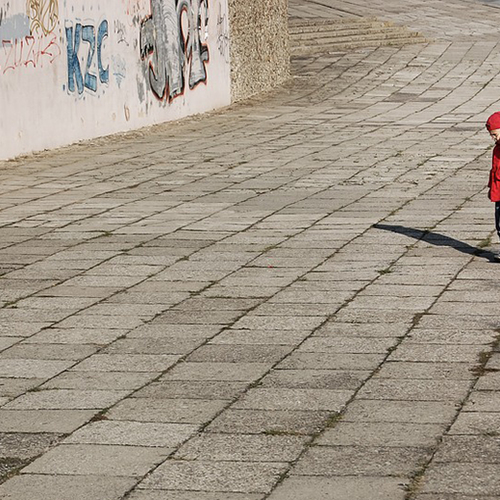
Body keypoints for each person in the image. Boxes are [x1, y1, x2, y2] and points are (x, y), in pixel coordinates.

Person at [486, 112, 500, 260]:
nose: (493, 138)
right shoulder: (497, 149)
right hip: (498, 192)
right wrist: (491, 188)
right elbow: (494, 170)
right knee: (499, 224)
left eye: (495, 134)